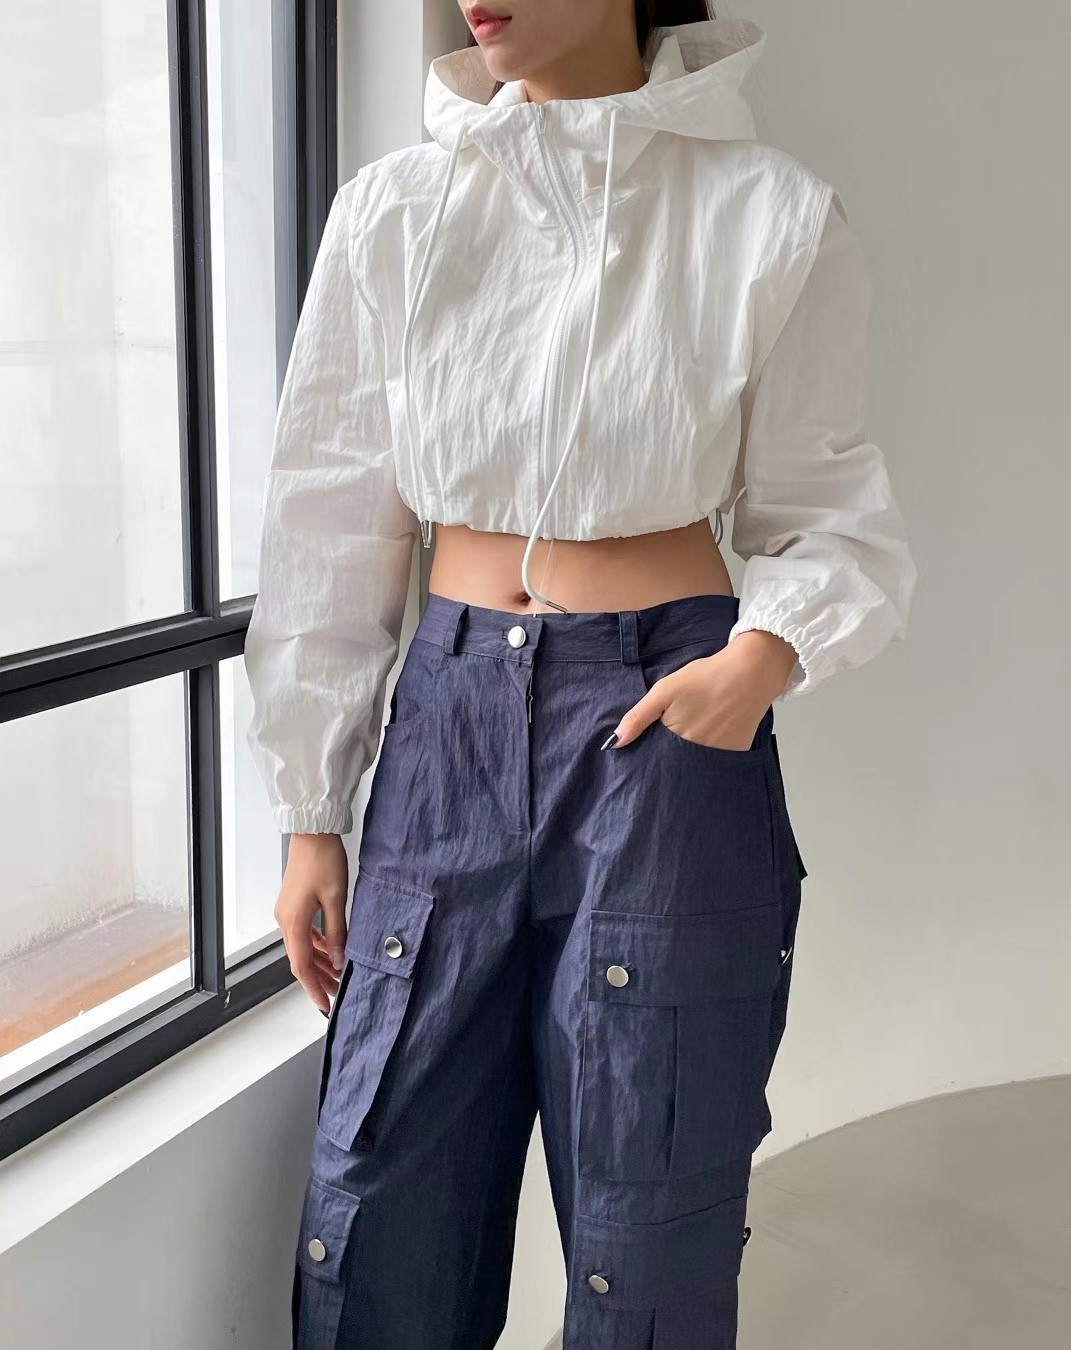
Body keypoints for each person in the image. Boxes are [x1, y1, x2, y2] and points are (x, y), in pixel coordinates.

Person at [243, 3, 917, 1347]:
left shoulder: (768, 212)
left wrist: (755, 663)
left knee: (647, 1209)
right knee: (379, 1198)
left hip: (662, 723)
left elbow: (827, 512)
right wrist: (311, 812)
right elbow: (330, 515)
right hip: (443, 731)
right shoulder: (397, 210)